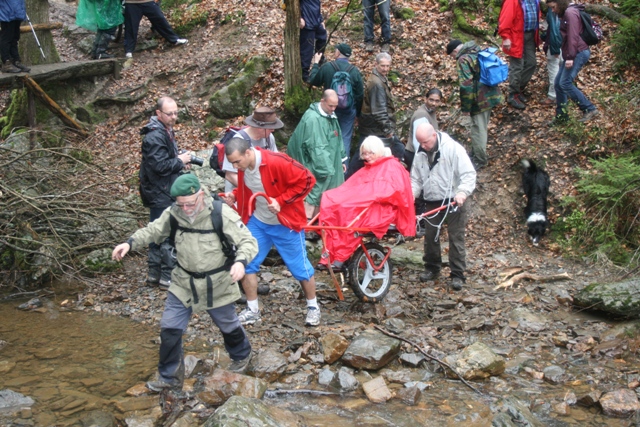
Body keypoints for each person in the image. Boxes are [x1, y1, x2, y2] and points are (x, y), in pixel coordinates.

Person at [112, 174, 259, 391]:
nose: (186, 209)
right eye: (181, 204)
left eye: (190, 203)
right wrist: (130, 243)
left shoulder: (220, 213)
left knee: (228, 324)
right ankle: (169, 379)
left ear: (200, 194)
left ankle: (242, 356)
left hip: (216, 282)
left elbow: (248, 241)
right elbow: (153, 230)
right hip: (183, 282)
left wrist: (240, 262)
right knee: (169, 328)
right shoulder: (173, 214)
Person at [221, 138, 321, 327]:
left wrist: (281, 201)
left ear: (248, 153)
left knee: (300, 267)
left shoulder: (277, 161)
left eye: (237, 161)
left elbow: (308, 180)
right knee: (246, 261)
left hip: (286, 223)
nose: (235, 167)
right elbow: (250, 188)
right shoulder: (244, 168)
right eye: (232, 163)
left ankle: (313, 307)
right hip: (259, 222)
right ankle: (252, 310)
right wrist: (234, 194)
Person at [318, 136, 415, 269]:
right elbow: (353, 187)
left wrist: (367, 196)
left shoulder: (392, 166)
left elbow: (394, 191)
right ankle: (329, 255)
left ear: (379, 151)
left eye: (371, 153)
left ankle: (340, 257)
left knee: (349, 215)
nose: (367, 157)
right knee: (333, 204)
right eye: (364, 153)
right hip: (367, 204)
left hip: (382, 208)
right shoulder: (369, 168)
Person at [411, 123, 476, 291]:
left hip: (454, 199)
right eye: (420, 143)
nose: (423, 146)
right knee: (431, 235)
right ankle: (432, 267)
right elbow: (415, 179)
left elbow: (468, 174)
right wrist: (412, 194)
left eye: (425, 142)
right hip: (432, 199)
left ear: (434, 135)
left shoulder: (454, 149)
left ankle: (457, 274)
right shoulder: (420, 154)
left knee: (456, 237)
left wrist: (462, 192)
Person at [139, 97, 194, 289]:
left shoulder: (164, 131)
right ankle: (166, 276)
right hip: (159, 192)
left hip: (161, 189)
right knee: (165, 233)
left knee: (159, 232)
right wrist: (180, 161)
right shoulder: (154, 135)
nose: (174, 117)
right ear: (158, 114)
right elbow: (160, 166)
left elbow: (163, 163)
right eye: (169, 113)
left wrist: (179, 161)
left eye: (176, 113)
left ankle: (155, 275)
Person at [287, 89, 346, 222]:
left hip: (329, 160)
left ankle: (317, 223)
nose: (333, 109)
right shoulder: (314, 119)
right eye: (331, 106)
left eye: (335, 106)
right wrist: (326, 169)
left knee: (325, 193)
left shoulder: (330, 115)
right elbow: (316, 148)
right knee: (314, 192)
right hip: (314, 163)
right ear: (322, 101)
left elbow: (337, 137)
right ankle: (307, 223)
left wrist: (341, 159)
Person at [447, 39, 504, 170]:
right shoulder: (476, 51)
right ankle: (475, 152)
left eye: (452, 56)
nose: (454, 58)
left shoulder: (463, 59)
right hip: (491, 95)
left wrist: (466, 108)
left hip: (480, 100)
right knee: (480, 127)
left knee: (478, 130)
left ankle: (480, 159)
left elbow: (466, 86)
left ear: (455, 51)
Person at [347, 52, 404, 178]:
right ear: (376, 64)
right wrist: (388, 130)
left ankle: (351, 180)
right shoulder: (377, 83)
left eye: (388, 66)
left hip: (372, 126)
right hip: (375, 128)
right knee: (363, 156)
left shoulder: (379, 78)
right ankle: (348, 181)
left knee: (363, 155)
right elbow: (379, 110)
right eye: (382, 66)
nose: (385, 69)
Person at [309, 43, 364, 160]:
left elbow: (313, 80)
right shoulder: (354, 71)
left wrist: (315, 64)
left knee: (326, 137)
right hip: (348, 111)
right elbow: (360, 95)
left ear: (338, 53)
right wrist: (358, 115)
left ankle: (327, 168)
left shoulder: (328, 67)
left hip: (329, 109)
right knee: (345, 139)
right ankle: (343, 169)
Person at [549, 0, 598, 124]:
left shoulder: (570, 13)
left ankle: (589, 108)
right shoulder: (567, 12)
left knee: (564, 83)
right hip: (573, 52)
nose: (553, 10)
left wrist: (570, 57)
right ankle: (562, 116)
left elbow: (573, 36)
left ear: (559, 3)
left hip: (578, 53)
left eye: (553, 7)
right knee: (558, 84)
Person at [220, 107, 283, 192]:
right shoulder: (238, 141)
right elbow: (230, 175)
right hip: (240, 192)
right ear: (260, 128)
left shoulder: (269, 137)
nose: (273, 130)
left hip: (262, 189)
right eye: (270, 128)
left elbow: (276, 161)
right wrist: (253, 189)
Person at [498, 0, 541, 110]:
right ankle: (513, 94)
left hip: (530, 35)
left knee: (531, 63)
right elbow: (505, 19)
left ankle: (519, 88)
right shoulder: (512, 1)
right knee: (517, 66)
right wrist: (506, 37)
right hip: (516, 37)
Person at [404, 88, 444, 168]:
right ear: (425, 99)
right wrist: (423, 162)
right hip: (415, 155)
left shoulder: (431, 112)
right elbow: (418, 142)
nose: (434, 103)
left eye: (437, 101)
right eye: (431, 100)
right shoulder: (421, 115)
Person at [540, 0, 562, 106]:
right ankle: (562, 95)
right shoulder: (566, 7)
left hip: (556, 45)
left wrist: (555, 49)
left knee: (554, 71)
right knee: (561, 70)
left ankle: (553, 96)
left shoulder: (555, 10)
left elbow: (554, 30)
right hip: (563, 44)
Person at [300, 0, 326, 82]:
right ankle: (305, 74)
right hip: (307, 22)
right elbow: (287, 4)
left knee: (322, 39)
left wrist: (321, 20)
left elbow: (317, 5)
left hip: (316, 21)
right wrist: (299, 18)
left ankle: (319, 63)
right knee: (307, 50)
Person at [0, 0, 30, 73]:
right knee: (6, 38)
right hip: (7, 13)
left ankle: (16, 60)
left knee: (15, 38)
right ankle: (6, 62)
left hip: (17, 12)